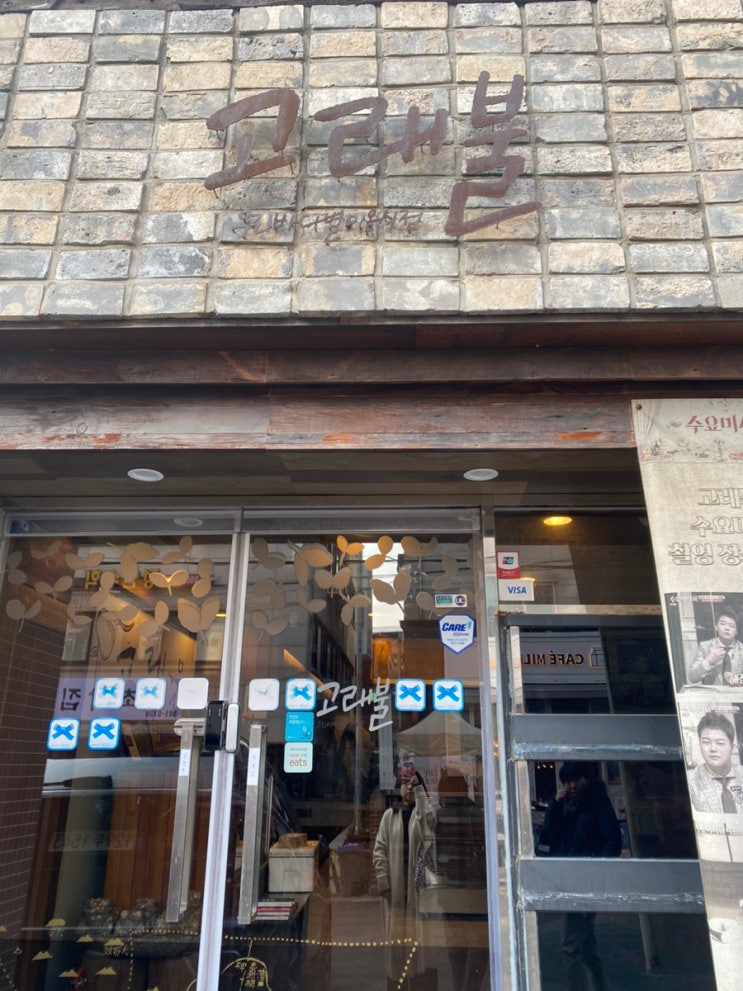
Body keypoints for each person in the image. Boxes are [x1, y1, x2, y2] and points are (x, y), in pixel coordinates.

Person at [538, 762, 622, 991]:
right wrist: (554, 806)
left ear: (587, 780)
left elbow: (612, 841)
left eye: (576, 780)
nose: (572, 786)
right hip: (568, 879)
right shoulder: (563, 805)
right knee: (586, 947)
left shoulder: (598, 804)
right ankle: (599, 986)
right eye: (567, 782)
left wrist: (598, 870)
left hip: (585, 881)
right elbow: (547, 837)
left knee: (570, 948)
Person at [372, 766, 437, 990]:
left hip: (418, 892)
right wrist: (383, 882)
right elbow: (379, 849)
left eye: (413, 784)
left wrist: (420, 793)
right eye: (404, 784)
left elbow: (429, 825)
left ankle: (418, 983)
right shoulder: (390, 815)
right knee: (396, 943)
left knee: (419, 944)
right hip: (396, 889)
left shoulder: (423, 814)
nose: (408, 788)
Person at [688, 711, 743, 814]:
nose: (713, 748)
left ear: (732, 747)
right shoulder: (691, 781)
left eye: (720, 743)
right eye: (706, 742)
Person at [688, 609, 743, 686]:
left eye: (731, 626)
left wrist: (736, 679)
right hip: (712, 693)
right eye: (723, 624)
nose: (727, 628)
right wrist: (709, 661)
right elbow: (692, 677)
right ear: (716, 627)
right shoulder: (704, 647)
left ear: (736, 631)